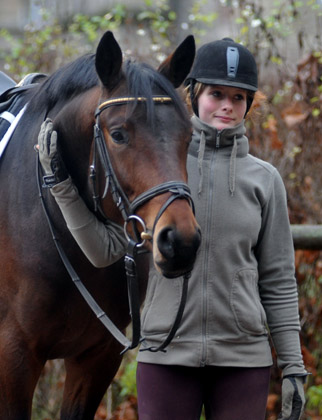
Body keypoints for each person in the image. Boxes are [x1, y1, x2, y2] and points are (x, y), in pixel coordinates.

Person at [38, 38, 308, 420]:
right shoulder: (156, 166)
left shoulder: (266, 181)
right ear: (195, 94)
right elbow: (104, 251)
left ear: (250, 104)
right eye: (217, 94)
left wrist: (294, 366)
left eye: (239, 97)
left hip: (243, 360)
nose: (227, 106)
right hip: (166, 357)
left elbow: (279, 280)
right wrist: (63, 188)